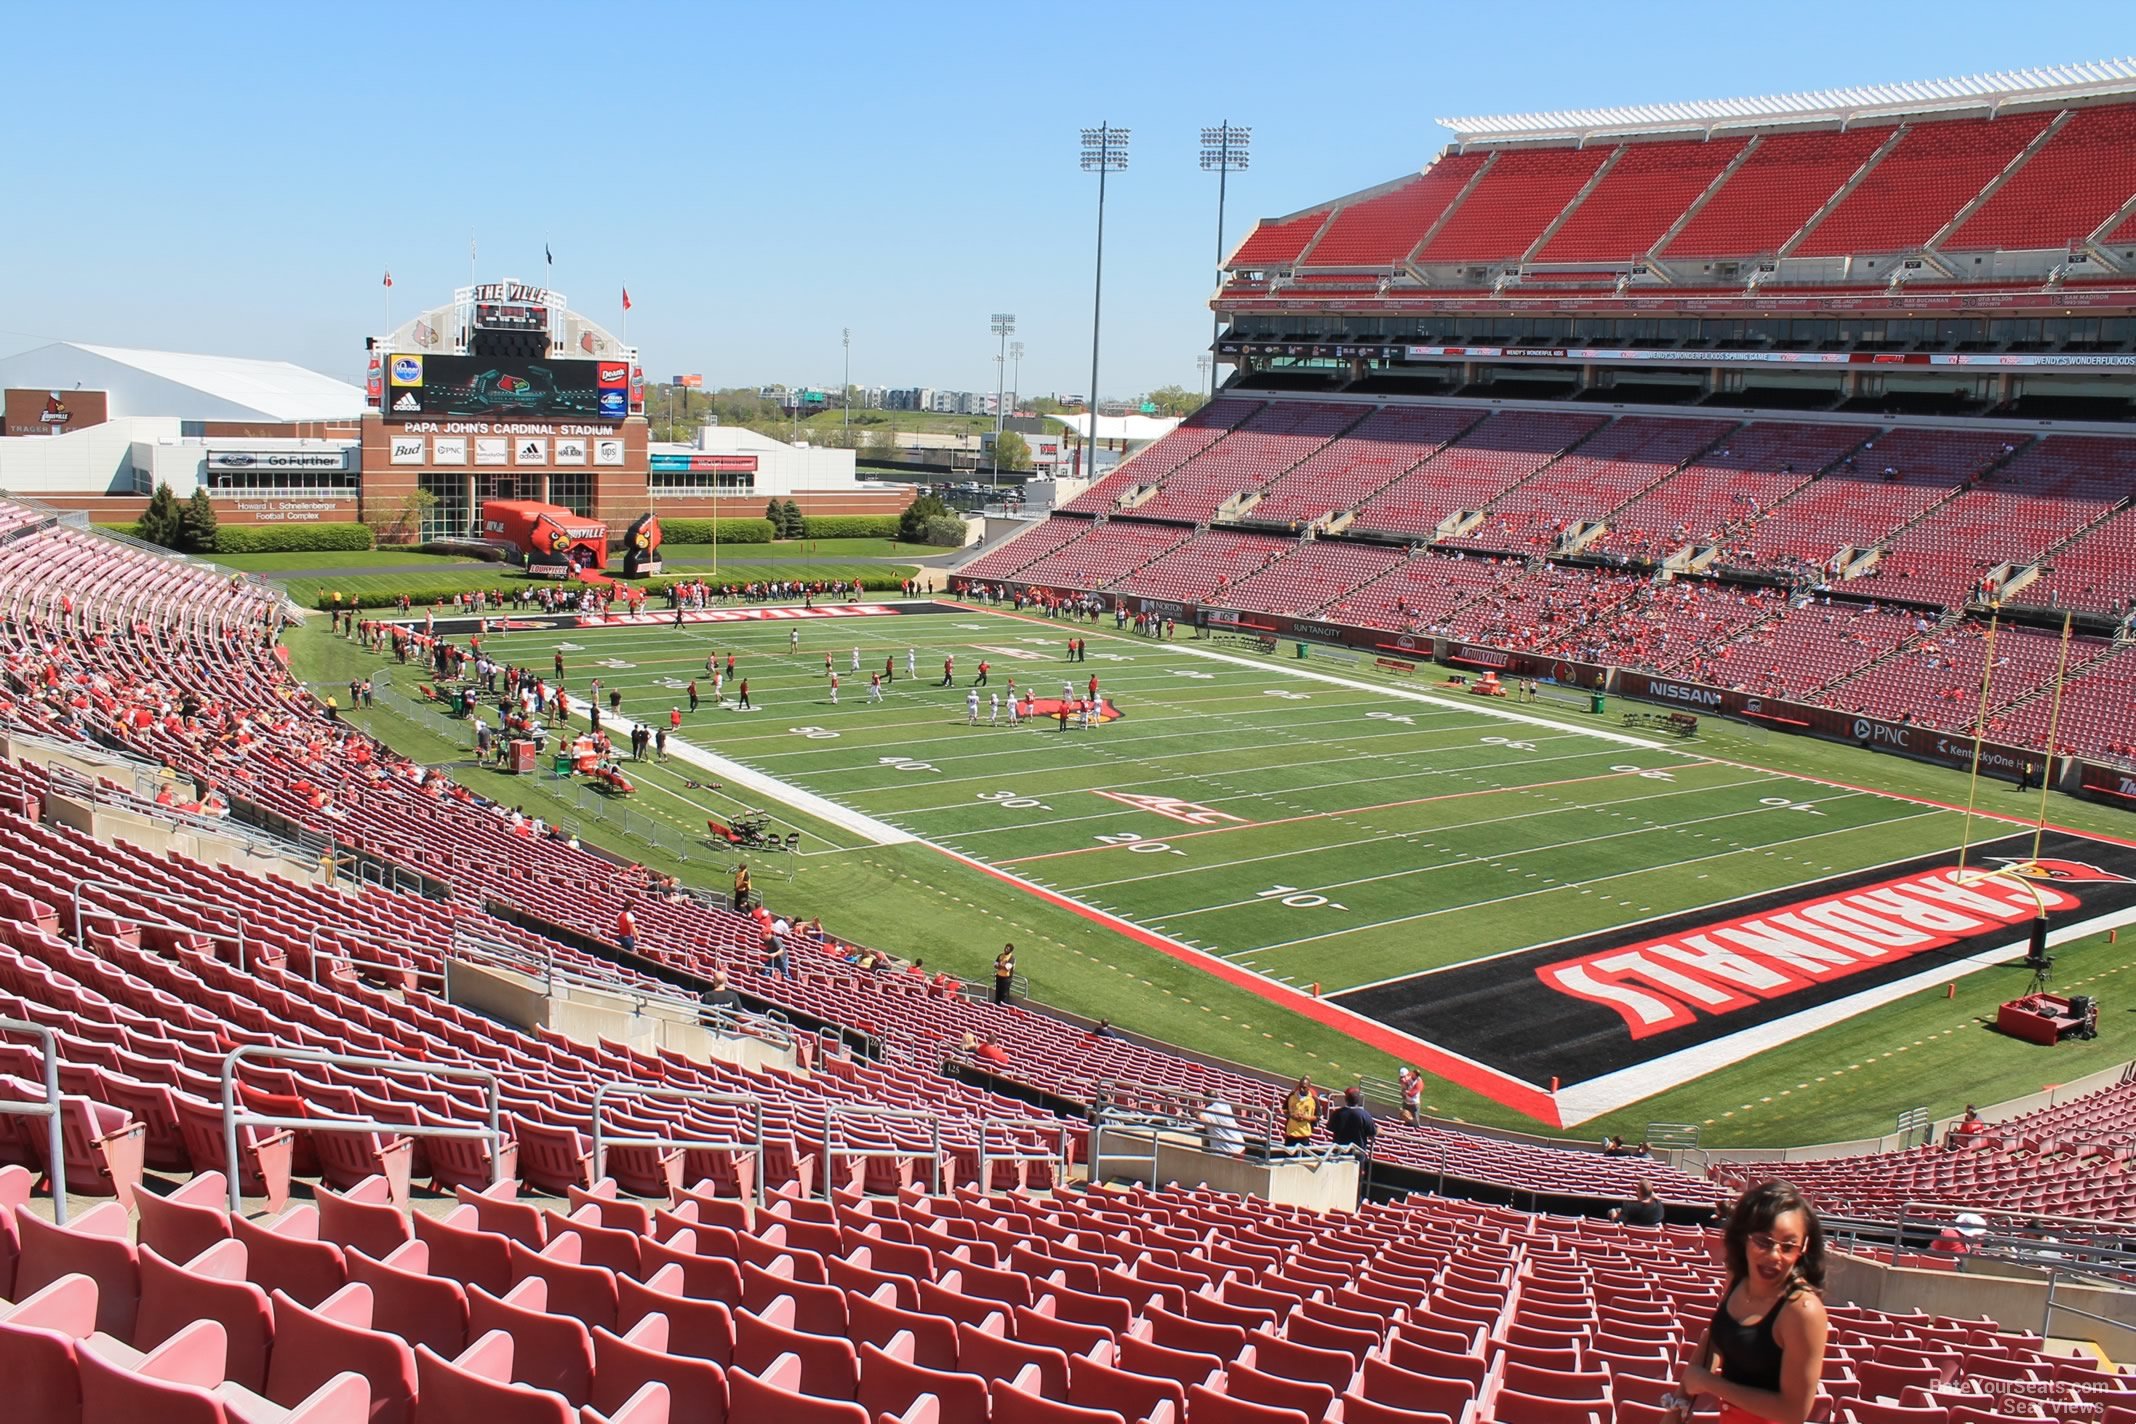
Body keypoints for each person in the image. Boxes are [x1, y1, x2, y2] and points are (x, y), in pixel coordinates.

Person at [1669, 1179, 1830, 1424]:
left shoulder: (1803, 1311)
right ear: (1745, 1237)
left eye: (1788, 1246)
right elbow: (1716, 1338)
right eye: (1763, 1241)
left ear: (1803, 1247)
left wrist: (1711, 1384)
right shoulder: (1738, 1278)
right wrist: (1677, 1406)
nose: (1774, 1256)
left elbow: (1793, 1412)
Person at [1327, 1086, 1377, 1155]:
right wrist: (1379, 1131)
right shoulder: (1365, 1115)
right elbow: (1372, 1134)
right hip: (1357, 1154)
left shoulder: (1337, 1113)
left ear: (1346, 1098)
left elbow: (1330, 1128)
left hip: (1339, 1152)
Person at [1281, 1077, 1320, 1152]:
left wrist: (1305, 1117)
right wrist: (1292, 1115)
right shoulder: (1291, 1096)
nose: (1301, 1089)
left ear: (1309, 1088)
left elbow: (1318, 1117)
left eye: (1304, 1087)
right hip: (1291, 1134)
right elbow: (1285, 1110)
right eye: (1300, 1087)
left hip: (1304, 1135)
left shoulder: (1313, 1099)